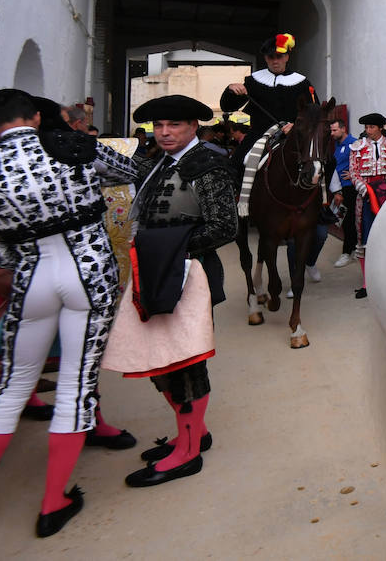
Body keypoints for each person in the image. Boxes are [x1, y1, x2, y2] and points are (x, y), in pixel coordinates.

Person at [0, 90, 141, 542]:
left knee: (11, 385)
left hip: (29, 279)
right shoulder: (73, 146)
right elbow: (129, 172)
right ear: (35, 116)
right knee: (76, 383)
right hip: (88, 273)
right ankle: (53, 504)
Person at [115, 94, 236, 488]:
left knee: (185, 363)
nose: (164, 133)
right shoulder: (157, 162)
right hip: (157, 268)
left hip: (188, 273)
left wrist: (166, 248)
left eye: (175, 126)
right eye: (159, 126)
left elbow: (223, 227)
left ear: (193, 127)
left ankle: (187, 454)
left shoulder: (208, 165)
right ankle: (194, 433)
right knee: (162, 360)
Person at [219, 33, 318, 194]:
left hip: (293, 134)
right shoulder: (253, 81)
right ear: (265, 58)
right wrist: (231, 90)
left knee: (325, 162)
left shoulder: (302, 82)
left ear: (287, 56)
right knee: (235, 164)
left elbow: (314, 113)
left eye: (279, 56)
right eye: (270, 57)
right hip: (259, 134)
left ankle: (322, 206)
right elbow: (227, 107)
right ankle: (235, 205)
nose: (275, 61)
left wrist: (297, 126)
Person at [348, 113, 386, 299]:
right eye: (366, 127)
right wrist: (365, 190)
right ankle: (366, 282)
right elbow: (354, 173)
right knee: (364, 237)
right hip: (365, 198)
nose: (367, 131)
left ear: (380, 128)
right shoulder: (357, 147)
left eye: (371, 127)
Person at [328, 118, 358, 268]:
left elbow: (364, 162)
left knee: (349, 220)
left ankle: (347, 252)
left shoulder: (354, 144)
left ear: (343, 129)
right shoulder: (337, 144)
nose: (332, 133)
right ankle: (351, 250)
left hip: (350, 188)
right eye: (331, 130)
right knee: (343, 219)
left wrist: (353, 174)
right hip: (339, 188)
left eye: (335, 130)